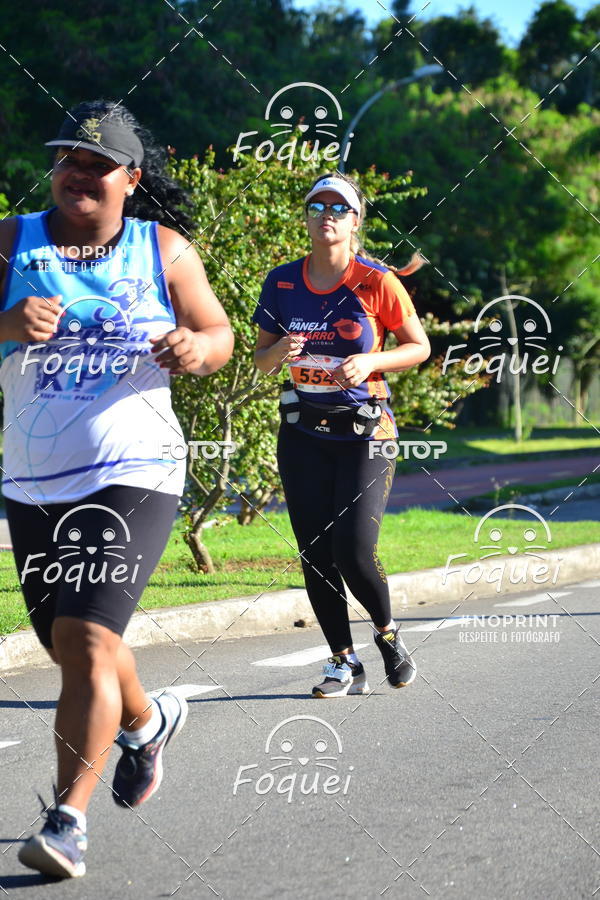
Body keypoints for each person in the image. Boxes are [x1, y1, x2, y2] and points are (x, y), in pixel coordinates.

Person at [0, 100, 233, 878]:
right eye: (68, 158)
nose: (79, 174)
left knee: (87, 641)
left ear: (131, 179)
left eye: (98, 164)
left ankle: (67, 822)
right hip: (33, 482)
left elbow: (221, 335)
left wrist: (194, 346)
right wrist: (4, 323)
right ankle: (147, 722)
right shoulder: (13, 241)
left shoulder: (163, 250)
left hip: (136, 470)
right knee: (68, 645)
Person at [253, 172, 430, 698]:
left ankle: (387, 634)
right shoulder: (281, 281)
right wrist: (279, 352)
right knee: (314, 551)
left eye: (339, 207)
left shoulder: (376, 281)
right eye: (316, 205)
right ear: (306, 217)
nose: (326, 214)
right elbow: (260, 361)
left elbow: (417, 346)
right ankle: (341, 661)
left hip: (366, 430)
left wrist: (373, 360)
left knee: (353, 547)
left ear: (355, 221)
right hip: (304, 431)